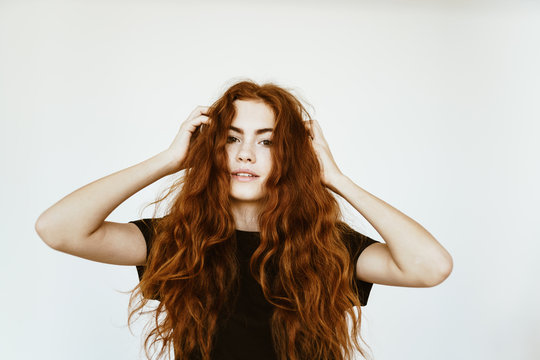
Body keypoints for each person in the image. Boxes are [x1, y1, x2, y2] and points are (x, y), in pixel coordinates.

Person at [35, 79, 453, 360]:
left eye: (266, 141)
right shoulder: (176, 239)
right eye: (232, 138)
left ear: (289, 155)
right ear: (212, 147)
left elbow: (430, 267)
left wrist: (336, 179)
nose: (246, 154)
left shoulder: (328, 244)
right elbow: (58, 229)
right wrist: (167, 161)